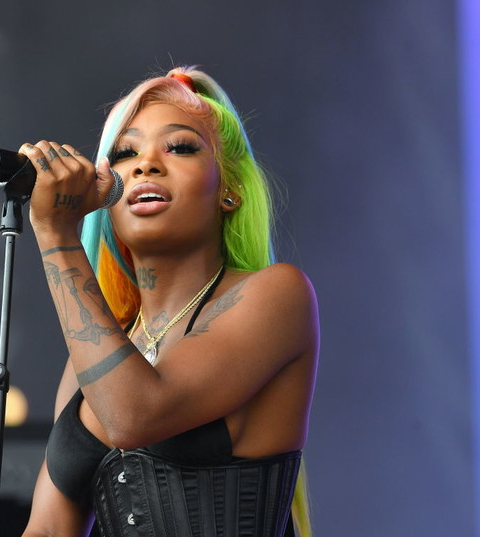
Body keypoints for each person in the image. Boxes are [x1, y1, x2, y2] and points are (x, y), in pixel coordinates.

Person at [18, 66, 319, 537]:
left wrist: (56, 234)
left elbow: (134, 417)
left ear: (230, 190)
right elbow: (49, 529)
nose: (146, 165)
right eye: (125, 154)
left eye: (179, 147)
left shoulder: (277, 295)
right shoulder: (90, 357)